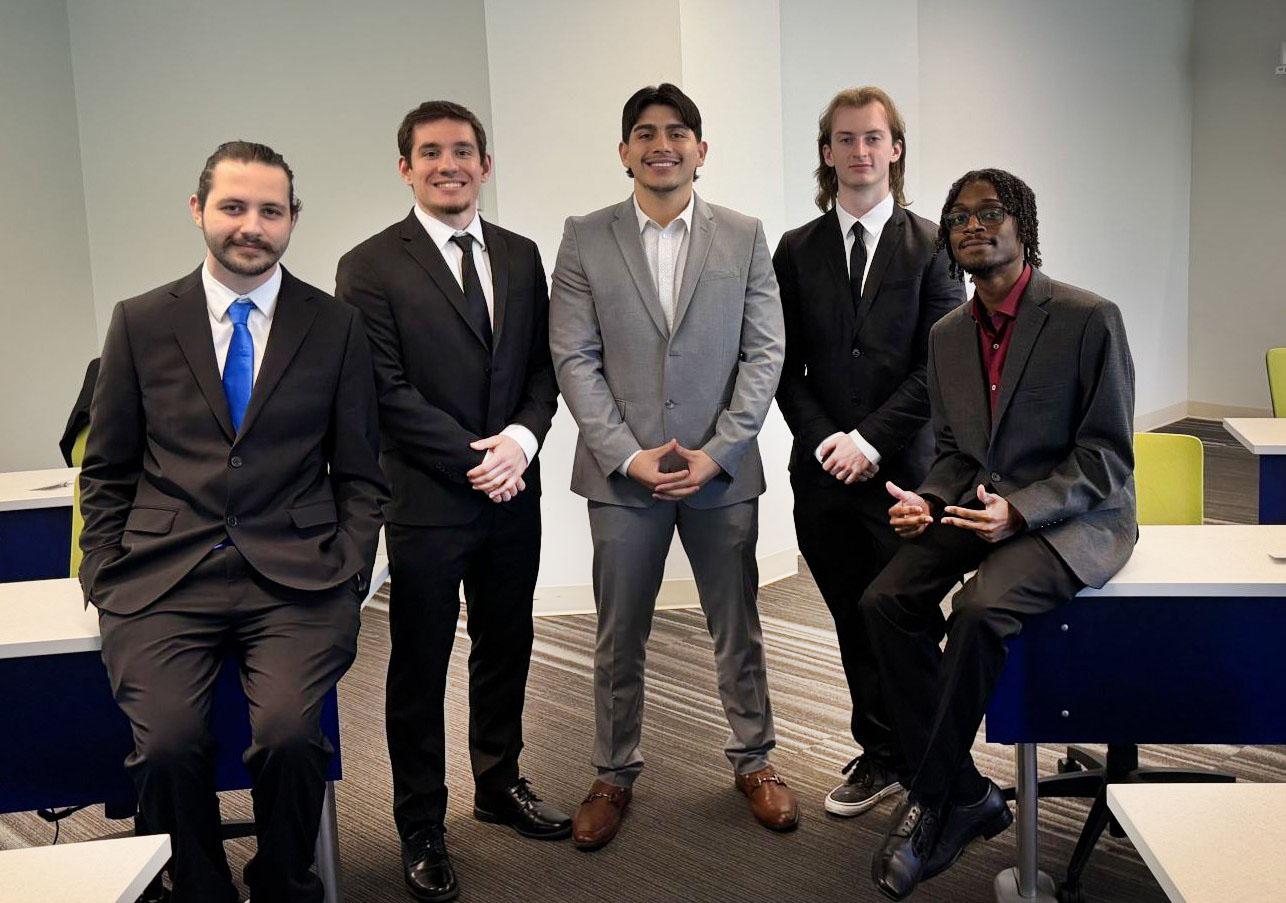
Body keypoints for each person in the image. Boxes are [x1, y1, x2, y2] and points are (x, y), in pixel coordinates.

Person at [79, 140, 387, 903]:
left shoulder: (336, 325)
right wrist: (104, 569)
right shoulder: (141, 321)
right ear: (199, 211)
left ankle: (285, 881)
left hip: (297, 575)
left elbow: (359, 471)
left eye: (270, 211)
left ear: (292, 220)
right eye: (234, 207)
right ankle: (200, 888)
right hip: (162, 575)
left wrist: (350, 564)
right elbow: (109, 465)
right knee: (166, 749)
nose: (252, 225)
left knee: (289, 737)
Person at [861, 168, 1136, 899]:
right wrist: (927, 498)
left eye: (989, 212)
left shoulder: (1088, 317)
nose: (972, 226)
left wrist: (1021, 511)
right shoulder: (949, 333)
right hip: (981, 503)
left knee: (978, 610)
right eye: (957, 218)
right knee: (885, 601)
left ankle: (934, 804)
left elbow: (1107, 455)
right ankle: (963, 792)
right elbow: (956, 452)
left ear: (1024, 224)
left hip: (1073, 516)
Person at [549, 82, 795, 851]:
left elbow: (766, 352)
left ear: (701, 149)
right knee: (619, 634)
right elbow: (573, 355)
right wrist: (627, 454)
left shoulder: (745, 234)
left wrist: (718, 450)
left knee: (738, 626)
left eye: (679, 132)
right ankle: (613, 772)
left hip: (721, 474)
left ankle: (754, 760)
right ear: (624, 151)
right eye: (646, 133)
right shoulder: (585, 237)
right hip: (624, 478)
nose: (663, 144)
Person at [336, 101, 567, 902]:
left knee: (507, 643)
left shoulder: (520, 252)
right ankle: (420, 822)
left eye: (463, 151)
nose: (448, 163)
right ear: (405, 167)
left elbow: (544, 369)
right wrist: (478, 458)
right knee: (421, 663)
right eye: (430, 152)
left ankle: (498, 784)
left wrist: (522, 444)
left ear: (485, 164)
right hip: (431, 500)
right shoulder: (368, 265)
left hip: (514, 492)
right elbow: (385, 391)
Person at [773, 86, 963, 817]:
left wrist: (869, 440)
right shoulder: (796, 249)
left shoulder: (934, 247)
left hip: (905, 476)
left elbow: (937, 365)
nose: (860, 151)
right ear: (828, 153)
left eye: (873, 137)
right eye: (845, 139)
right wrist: (826, 439)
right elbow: (782, 364)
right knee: (854, 620)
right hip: (822, 478)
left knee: (907, 622)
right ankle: (881, 752)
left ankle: (932, 766)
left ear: (896, 148)